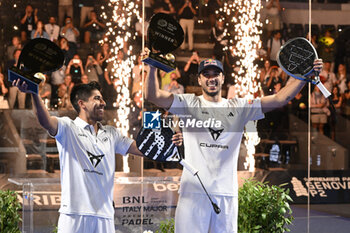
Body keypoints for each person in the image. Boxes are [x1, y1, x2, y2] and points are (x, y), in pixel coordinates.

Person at [145, 57, 322, 233]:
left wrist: (303, 75)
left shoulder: (239, 106)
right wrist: (152, 67)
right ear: (199, 79)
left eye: (216, 74)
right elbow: (153, 95)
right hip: (193, 193)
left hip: (226, 194)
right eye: (206, 74)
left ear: (223, 78)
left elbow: (279, 99)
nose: (211, 78)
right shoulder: (188, 103)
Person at [13, 79, 182, 233]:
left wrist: (171, 143)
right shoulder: (67, 127)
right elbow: (45, 120)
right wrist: (34, 93)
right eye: (97, 99)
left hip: (105, 217)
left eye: (102, 99)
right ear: (82, 104)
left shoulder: (112, 133)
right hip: (74, 215)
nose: (103, 103)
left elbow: (142, 149)